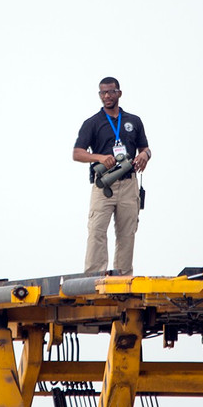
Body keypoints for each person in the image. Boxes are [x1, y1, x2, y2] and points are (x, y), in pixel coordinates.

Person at [73, 77, 151, 276]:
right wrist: (99, 157)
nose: (106, 96)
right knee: (97, 231)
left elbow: (145, 148)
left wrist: (144, 155)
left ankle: (123, 277)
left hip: (128, 184)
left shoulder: (133, 121)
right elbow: (77, 153)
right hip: (103, 185)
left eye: (110, 92)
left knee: (127, 234)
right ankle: (93, 277)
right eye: (102, 93)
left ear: (119, 93)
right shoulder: (92, 123)